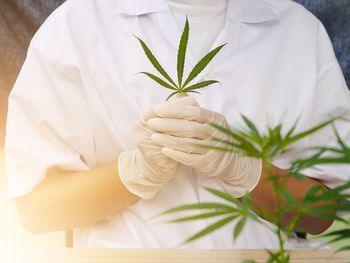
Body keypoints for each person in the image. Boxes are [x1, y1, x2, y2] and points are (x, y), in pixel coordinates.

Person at [5, 0, 350, 248]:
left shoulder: (297, 33)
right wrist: (135, 173)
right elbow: (37, 210)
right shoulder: (77, 27)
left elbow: (323, 213)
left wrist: (246, 170)